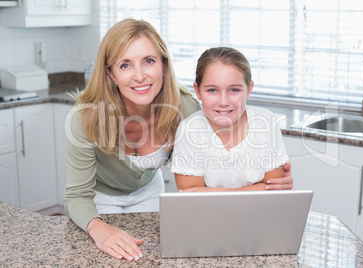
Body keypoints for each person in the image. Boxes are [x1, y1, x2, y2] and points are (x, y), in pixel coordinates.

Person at [65, 19, 293, 262]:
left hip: (149, 192)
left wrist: (273, 184)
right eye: (125, 65)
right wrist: (100, 230)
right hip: (100, 198)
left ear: (163, 64)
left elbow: (218, 164)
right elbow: (76, 195)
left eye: (149, 61)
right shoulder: (84, 118)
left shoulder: (185, 109)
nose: (140, 76)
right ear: (111, 73)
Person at [171, 47, 290, 191]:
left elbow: (273, 191)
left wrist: (209, 193)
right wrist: (257, 189)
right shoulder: (188, 131)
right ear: (197, 91)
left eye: (234, 90)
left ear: (249, 89)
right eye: (212, 90)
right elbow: (191, 197)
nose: (223, 102)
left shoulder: (266, 122)